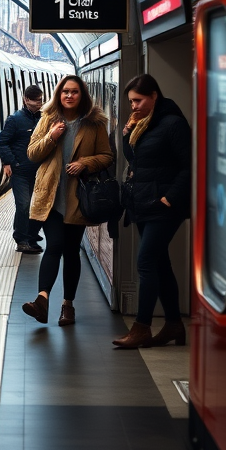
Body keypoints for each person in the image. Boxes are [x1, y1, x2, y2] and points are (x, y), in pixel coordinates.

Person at [22, 76, 113, 326]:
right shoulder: (48, 118)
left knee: (71, 251)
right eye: (65, 92)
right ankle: (42, 301)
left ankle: (68, 305)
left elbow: (107, 156)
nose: (69, 96)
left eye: (74, 92)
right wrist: (51, 137)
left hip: (77, 198)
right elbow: (32, 154)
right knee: (54, 245)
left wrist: (85, 162)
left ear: (82, 95)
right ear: (58, 95)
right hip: (50, 196)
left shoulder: (95, 123)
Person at [113, 73, 191, 349]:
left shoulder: (173, 124)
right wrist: (127, 135)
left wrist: (170, 198)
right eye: (131, 101)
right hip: (144, 203)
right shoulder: (143, 124)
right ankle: (174, 325)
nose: (133, 106)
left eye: (138, 100)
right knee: (160, 263)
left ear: (154, 96)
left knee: (145, 261)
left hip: (164, 206)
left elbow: (190, 165)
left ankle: (142, 328)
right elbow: (137, 161)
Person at [0, 83, 44, 253]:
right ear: (26, 100)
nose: (39, 104)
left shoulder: (43, 119)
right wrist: (9, 162)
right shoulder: (15, 120)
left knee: (36, 205)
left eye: (40, 100)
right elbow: (2, 142)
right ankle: (21, 240)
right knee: (23, 204)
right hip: (20, 172)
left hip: (39, 171)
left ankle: (31, 236)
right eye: (35, 101)